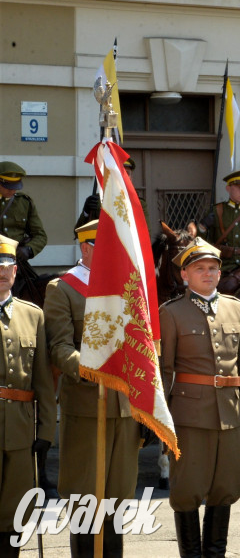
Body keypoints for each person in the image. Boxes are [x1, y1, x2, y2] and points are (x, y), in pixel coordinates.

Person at [44, 220, 141, 556]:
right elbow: (58, 347)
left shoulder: (129, 287)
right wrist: (89, 370)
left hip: (125, 408)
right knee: (85, 497)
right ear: (86, 248)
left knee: (117, 497)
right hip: (87, 405)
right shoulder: (63, 288)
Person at [158, 238, 240, 558]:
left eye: (213, 268)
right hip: (188, 417)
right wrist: (159, 419)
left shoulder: (235, 308)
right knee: (187, 491)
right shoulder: (172, 313)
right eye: (199, 268)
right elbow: (163, 371)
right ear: (185, 275)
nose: (208, 274)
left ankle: (216, 553)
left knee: (225, 490)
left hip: (229, 415)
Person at [0, 235, 56, 555]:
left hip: (21, 433)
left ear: (17, 272)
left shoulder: (33, 315)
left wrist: (46, 432)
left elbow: (43, 382)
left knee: (15, 518)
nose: (2, 270)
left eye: (8, 264)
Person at [0, 161, 47, 297]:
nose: (12, 190)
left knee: (37, 292)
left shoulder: (24, 202)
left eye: (15, 186)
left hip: (17, 262)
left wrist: (28, 250)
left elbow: (40, 235)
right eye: (7, 186)